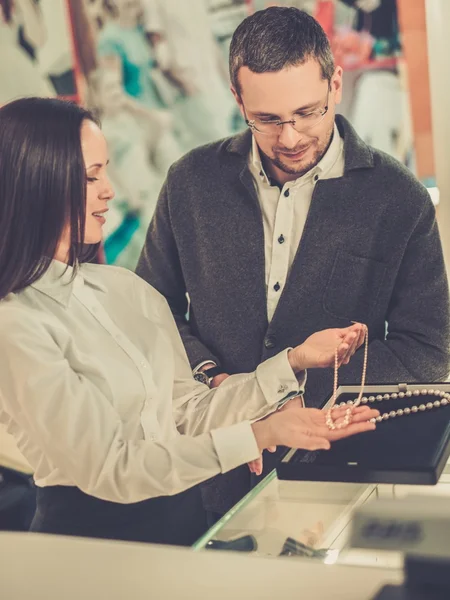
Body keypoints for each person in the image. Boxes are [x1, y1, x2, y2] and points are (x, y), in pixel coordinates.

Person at [0, 97, 377, 546]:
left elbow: (186, 411)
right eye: (89, 176)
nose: (109, 191)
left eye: (105, 171)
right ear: (35, 185)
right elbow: (110, 468)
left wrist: (292, 363)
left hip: (187, 524)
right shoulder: (15, 323)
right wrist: (256, 434)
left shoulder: (126, 291)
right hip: (88, 548)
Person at [135, 6, 450, 521]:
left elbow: (427, 351)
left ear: (336, 86)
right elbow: (152, 313)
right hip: (212, 473)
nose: (290, 137)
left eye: (307, 112)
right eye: (267, 119)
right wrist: (223, 385)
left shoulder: (400, 199)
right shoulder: (190, 182)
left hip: (340, 478)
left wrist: (294, 398)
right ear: (238, 100)